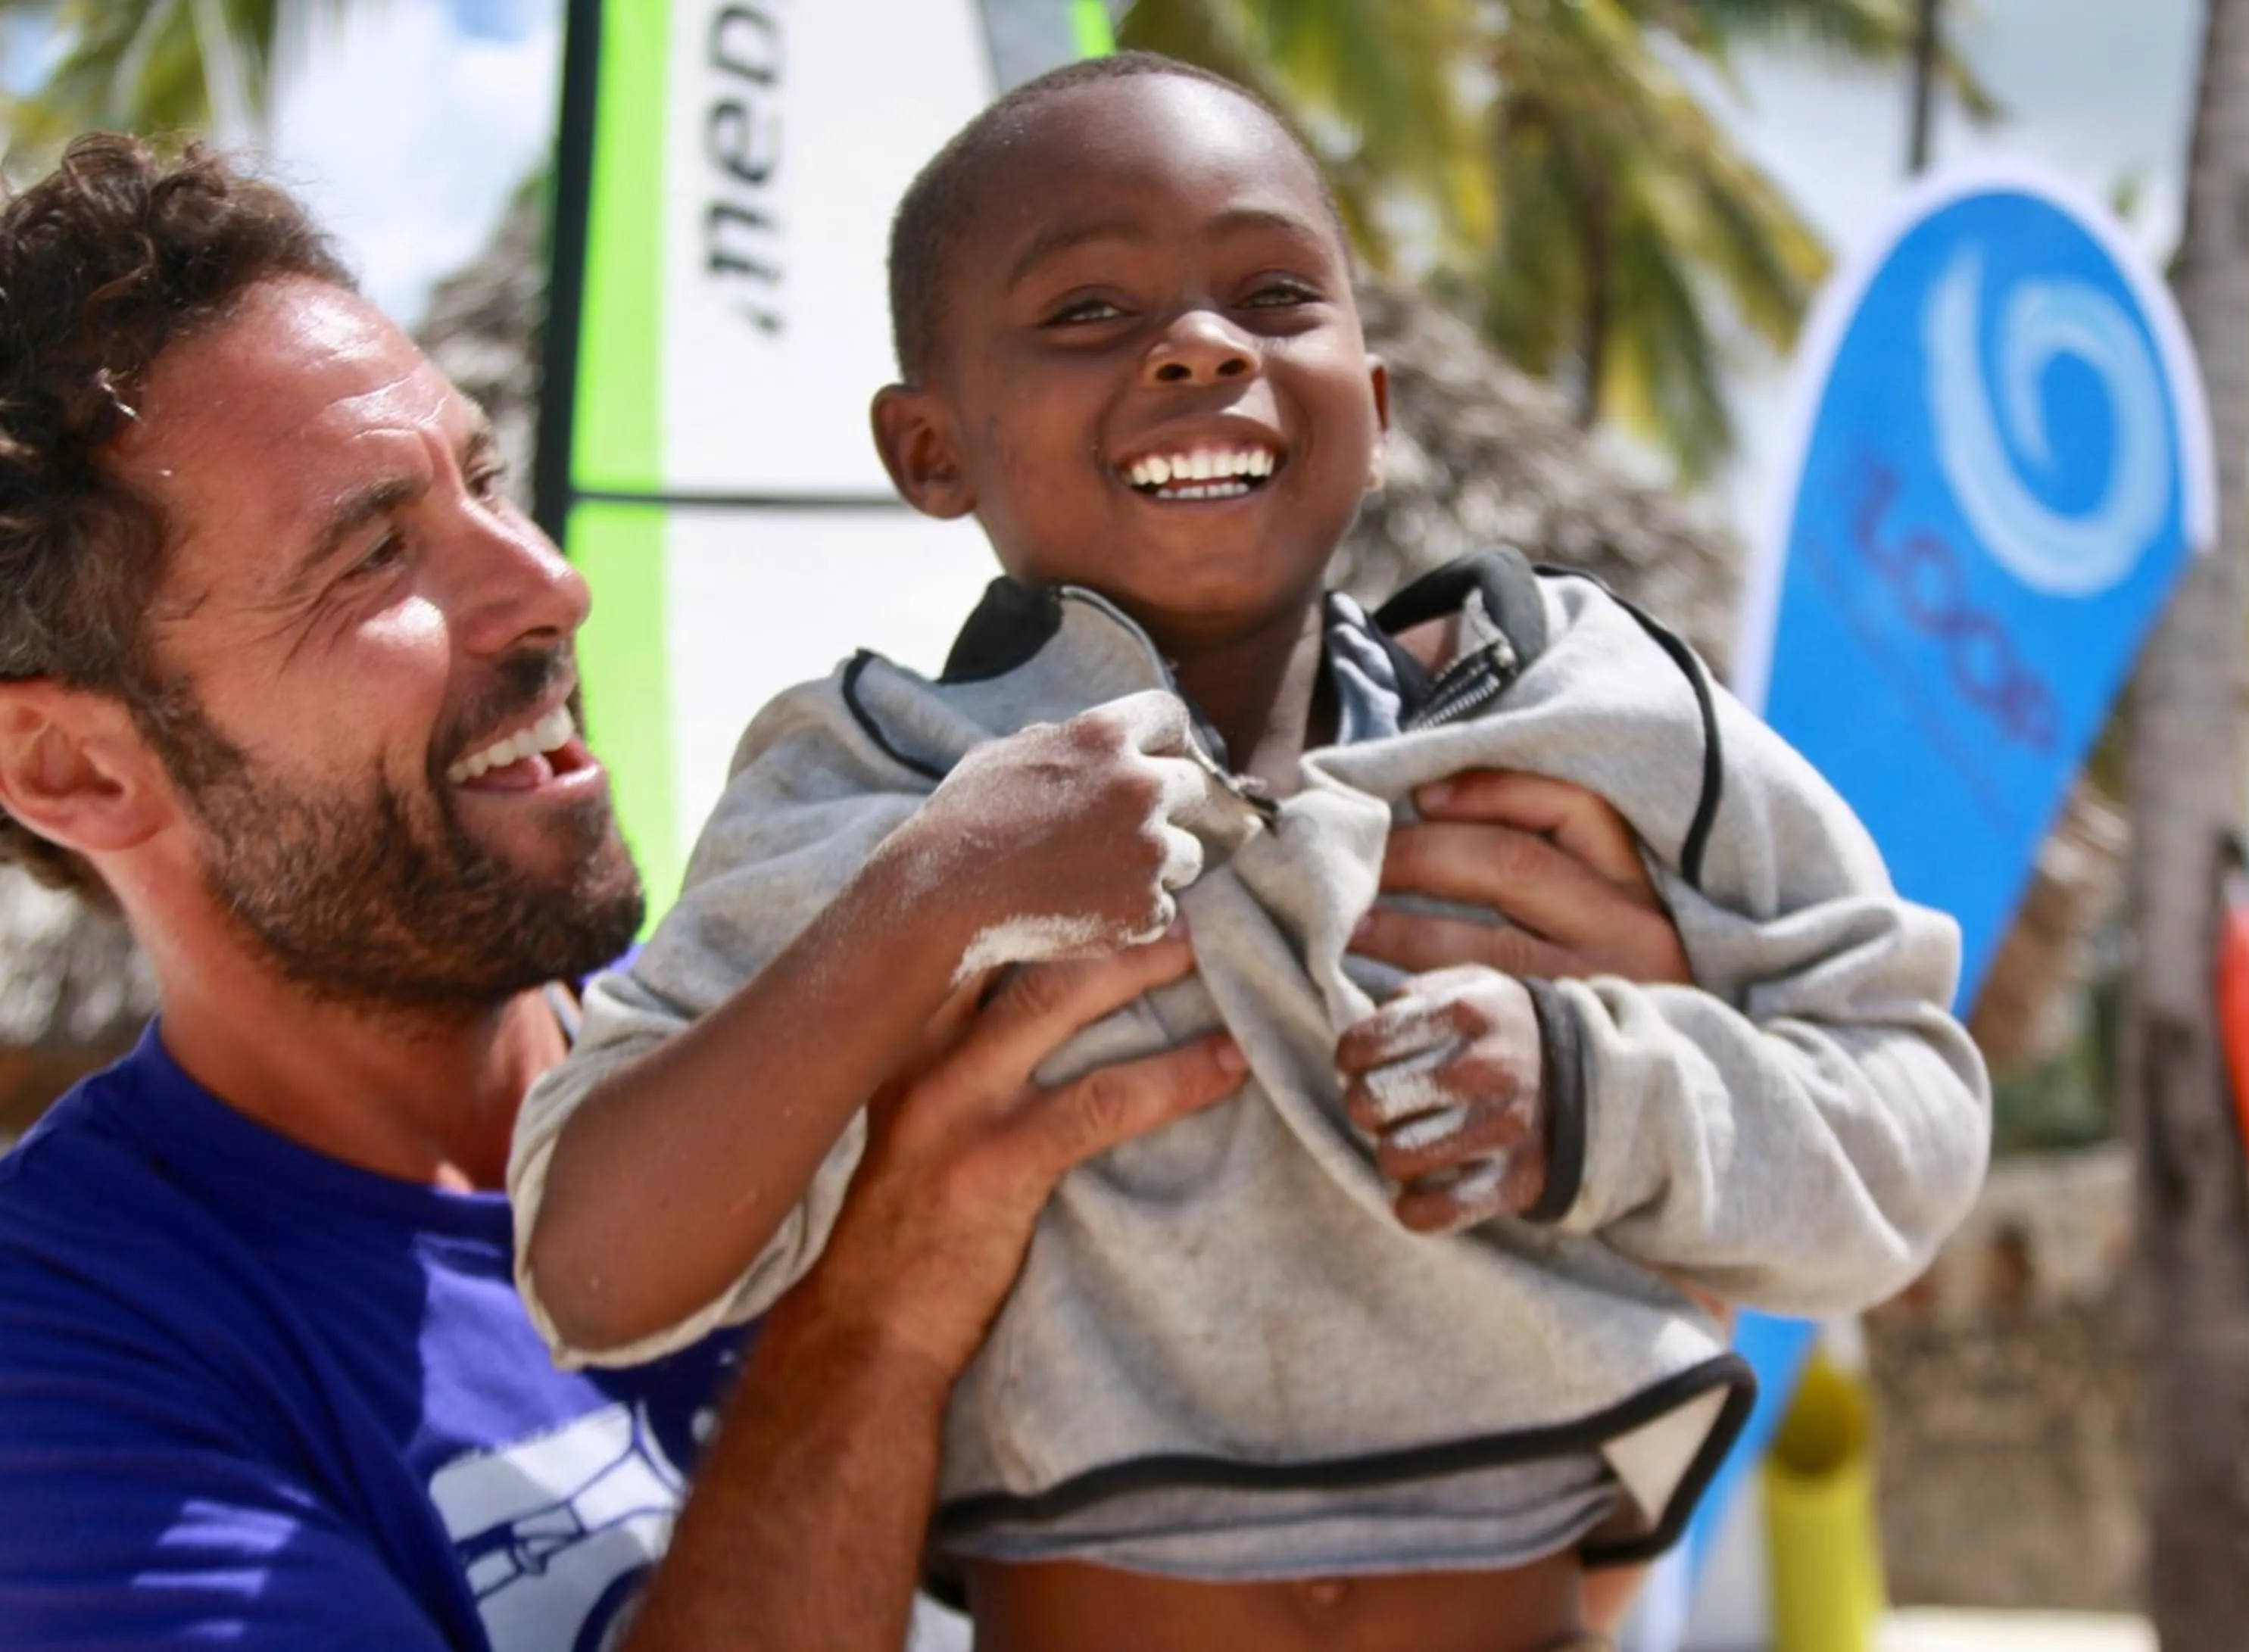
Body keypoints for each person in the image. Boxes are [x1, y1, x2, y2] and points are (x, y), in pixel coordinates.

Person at [0, 133, 1692, 1651]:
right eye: (373, 555)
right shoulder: (75, 1362)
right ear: (74, 769)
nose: (548, 586)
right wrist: (881, 1305)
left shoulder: (905, 997)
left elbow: (1475, 1563)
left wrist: (1616, 1139)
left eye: (484, 483)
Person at [509, 51, 1991, 1652]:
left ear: (1379, 396)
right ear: (928, 450)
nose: (1202, 344)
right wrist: (941, 891)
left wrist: (1597, 1088)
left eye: (1276, 293)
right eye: (1087, 309)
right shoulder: (873, 777)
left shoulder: (1588, 705)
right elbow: (597, 1267)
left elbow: (1911, 1122)